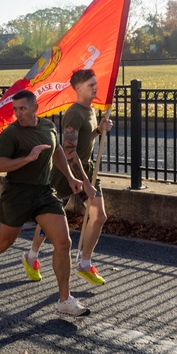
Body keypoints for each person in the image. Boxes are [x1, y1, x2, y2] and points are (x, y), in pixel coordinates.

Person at [0, 89, 91, 317]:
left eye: (22, 109)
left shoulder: (48, 127)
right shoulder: (11, 134)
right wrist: (27, 158)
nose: (18, 114)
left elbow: (57, 151)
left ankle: (65, 300)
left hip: (44, 192)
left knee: (63, 242)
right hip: (17, 193)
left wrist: (71, 177)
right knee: (5, 241)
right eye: (15, 110)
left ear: (35, 108)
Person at [28, 69, 112, 286]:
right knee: (51, 220)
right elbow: (69, 151)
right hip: (67, 172)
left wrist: (99, 130)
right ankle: (32, 255)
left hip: (86, 168)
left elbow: (84, 139)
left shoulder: (91, 110)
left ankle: (84, 263)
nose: (95, 87)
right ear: (78, 89)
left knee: (99, 216)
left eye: (95, 83)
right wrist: (84, 180)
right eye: (90, 85)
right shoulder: (74, 113)